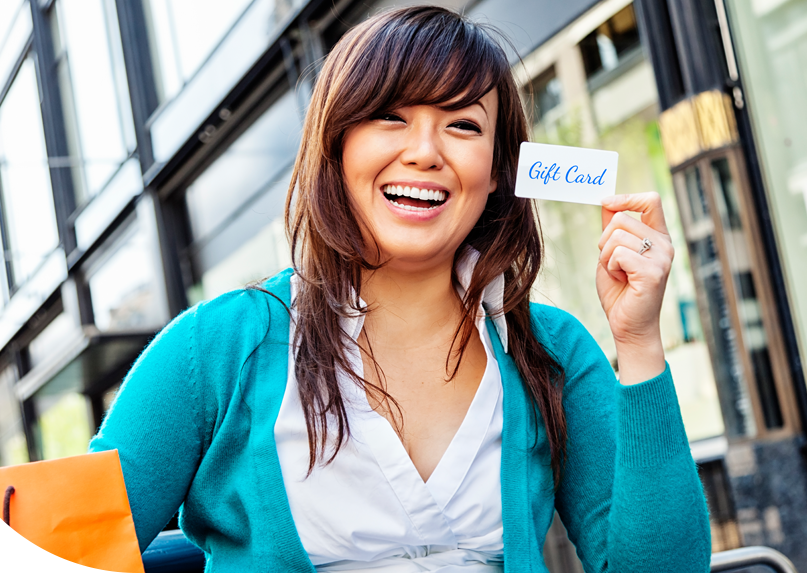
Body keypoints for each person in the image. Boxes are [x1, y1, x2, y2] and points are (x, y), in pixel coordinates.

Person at [90, 5, 711, 573]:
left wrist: (638, 342)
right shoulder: (216, 349)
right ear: (336, 146)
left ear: (498, 169)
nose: (424, 152)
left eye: (463, 125)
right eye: (390, 116)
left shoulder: (550, 350)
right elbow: (70, 549)